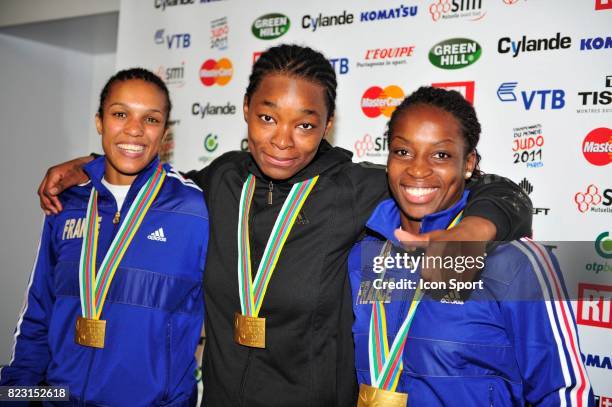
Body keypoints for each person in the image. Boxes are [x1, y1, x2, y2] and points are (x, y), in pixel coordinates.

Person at [37, 45, 532, 406]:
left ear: (327, 125)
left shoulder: (357, 187)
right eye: (269, 117)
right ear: (247, 112)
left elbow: (498, 190)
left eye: (305, 123)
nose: (283, 140)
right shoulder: (221, 179)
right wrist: (92, 163)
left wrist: (474, 231)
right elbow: (147, 176)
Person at [349, 86, 593, 406]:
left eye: (441, 155)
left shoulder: (517, 263)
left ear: (468, 164)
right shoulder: (361, 253)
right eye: (403, 151)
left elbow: (563, 394)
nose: (418, 169)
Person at [1, 68, 209, 406]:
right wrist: (15, 396)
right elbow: (38, 314)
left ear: (165, 134)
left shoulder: (195, 210)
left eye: (151, 119)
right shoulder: (67, 202)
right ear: (100, 121)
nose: (134, 130)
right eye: (120, 114)